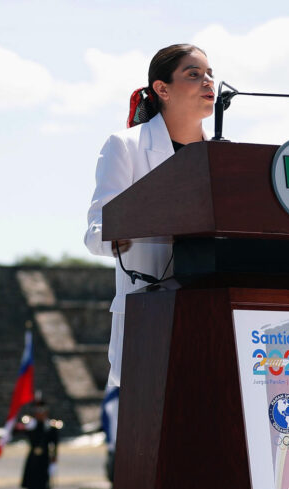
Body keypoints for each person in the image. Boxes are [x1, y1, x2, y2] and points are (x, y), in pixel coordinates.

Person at [83, 43, 215, 445]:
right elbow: (95, 232)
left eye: (210, 74)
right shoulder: (125, 146)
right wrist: (134, 228)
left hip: (211, 316)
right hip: (152, 318)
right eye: (194, 74)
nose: (208, 82)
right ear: (162, 88)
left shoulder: (225, 156)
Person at [16, 400, 59, 489]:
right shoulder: (31, 426)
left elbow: (55, 447)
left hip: (44, 462)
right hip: (33, 462)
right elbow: (17, 431)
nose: (40, 414)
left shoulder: (50, 427)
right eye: (37, 411)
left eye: (42, 411)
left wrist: (53, 463)